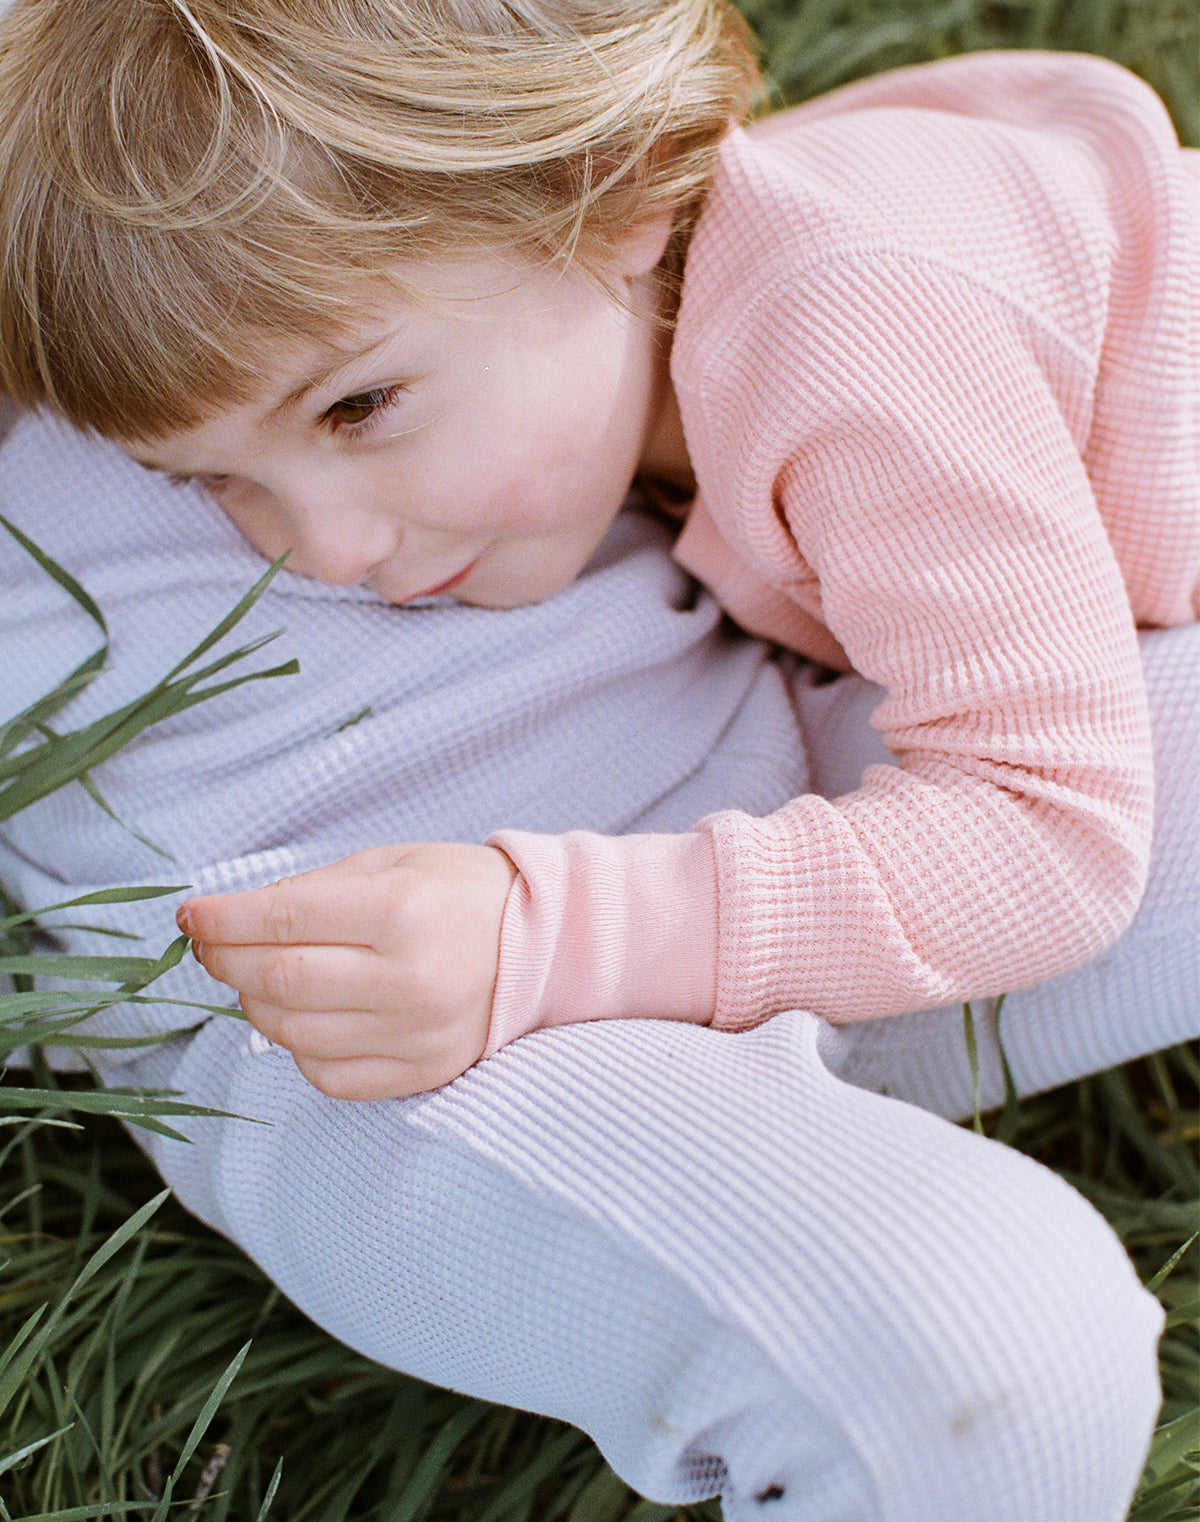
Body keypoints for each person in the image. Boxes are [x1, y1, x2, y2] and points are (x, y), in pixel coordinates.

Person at [0, 0, 1195, 1513]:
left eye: (361, 406)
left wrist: (543, 930)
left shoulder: (851, 316)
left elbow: (1046, 833)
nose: (327, 549)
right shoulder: (649, 308)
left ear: (620, 193)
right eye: (216, 482)